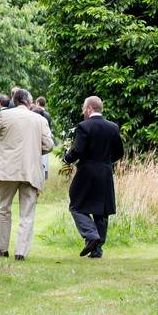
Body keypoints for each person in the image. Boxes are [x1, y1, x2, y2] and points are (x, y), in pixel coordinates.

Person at [0, 88, 54, 260]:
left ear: (14, 100)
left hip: (7, 170)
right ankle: (21, 252)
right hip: (30, 170)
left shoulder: (5, 116)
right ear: (28, 102)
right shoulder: (40, 120)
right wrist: (33, 150)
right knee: (27, 213)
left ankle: (2, 249)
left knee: (4, 209)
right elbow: (49, 145)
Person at [63, 95, 124, 259]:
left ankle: (91, 235)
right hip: (105, 171)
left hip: (86, 171)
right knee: (101, 210)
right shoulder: (113, 127)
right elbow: (120, 152)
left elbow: (78, 150)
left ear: (89, 108)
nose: (83, 112)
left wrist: (67, 158)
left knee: (76, 204)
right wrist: (105, 162)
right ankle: (97, 250)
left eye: (84, 109)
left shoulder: (84, 126)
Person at [33, 97, 54, 179]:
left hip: (38, 138)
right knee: (45, 158)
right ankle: (44, 174)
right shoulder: (48, 114)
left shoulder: (35, 113)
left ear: (38, 103)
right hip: (45, 138)